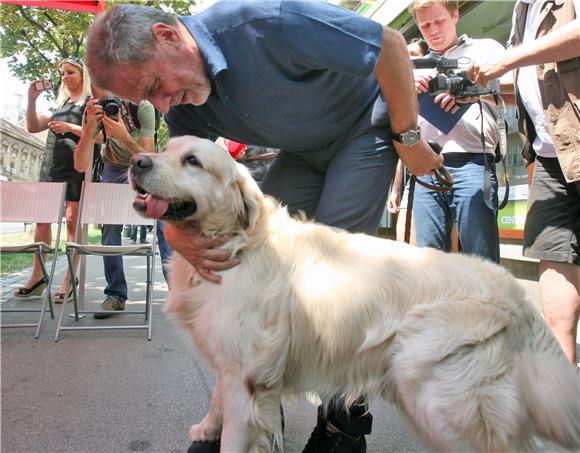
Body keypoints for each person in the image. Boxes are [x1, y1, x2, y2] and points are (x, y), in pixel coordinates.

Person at [85, 2, 444, 451]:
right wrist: (179, 237)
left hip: (362, 130)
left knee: (329, 279)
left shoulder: (266, 21)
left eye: (157, 85)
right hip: (300, 152)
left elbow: (390, 46)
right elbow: (174, 188)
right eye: (148, 99)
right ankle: (249, 411)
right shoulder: (184, 102)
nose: (162, 104)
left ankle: (343, 428)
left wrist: (408, 136)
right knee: (252, 260)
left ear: (168, 37)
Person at [468, 0, 580, 366]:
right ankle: (563, 403)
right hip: (551, 156)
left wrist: (506, 60)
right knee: (554, 269)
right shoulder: (522, 9)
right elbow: (540, 78)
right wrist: (474, 88)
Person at [410, 0, 504, 263]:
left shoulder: (483, 48)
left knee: (481, 261)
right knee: (429, 263)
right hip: (425, 169)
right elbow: (401, 129)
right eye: (425, 25)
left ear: (456, 15)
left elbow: (513, 87)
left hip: (473, 161)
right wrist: (407, 90)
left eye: (439, 21)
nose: (433, 30)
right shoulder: (414, 65)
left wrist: (467, 89)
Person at [14, 57, 92, 303]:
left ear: (82, 75)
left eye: (70, 72)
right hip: (53, 169)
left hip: (78, 168)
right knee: (42, 220)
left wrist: (70, 128)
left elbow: (97, 135)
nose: (65, 77)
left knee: (71, 221)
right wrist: (31, 99)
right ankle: (38, 277)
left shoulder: (89, 102)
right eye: (62, 74)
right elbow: (33, 126)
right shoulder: (60, 102)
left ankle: (69, 279)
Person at [74, 87, 156, 318]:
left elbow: (148, 157)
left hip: (143, 167)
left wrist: (123, 136)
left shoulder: (141, 106)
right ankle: (116, 295)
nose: (100, 95)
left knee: (166, 223)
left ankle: (179, 289)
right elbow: (80, 165)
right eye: (94, 88)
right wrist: (89, 128)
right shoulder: (95, 111)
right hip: (111, 168)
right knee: (110, 230)